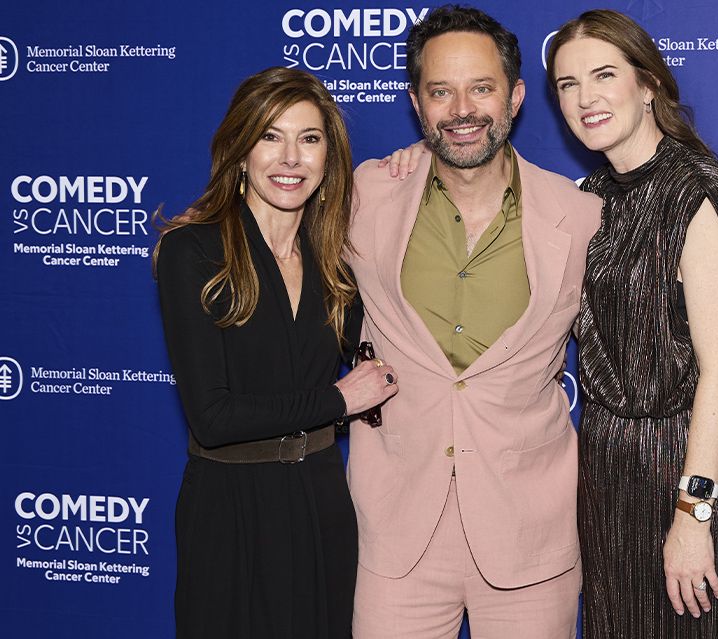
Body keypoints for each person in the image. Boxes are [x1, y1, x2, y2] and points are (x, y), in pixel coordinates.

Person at [347, 6, 601, 638]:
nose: (462, 110)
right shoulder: (366, 195)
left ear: (515, 97)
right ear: (416, 103)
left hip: (529, 535)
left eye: (481, 88)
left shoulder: (580, 216)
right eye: (441, 91)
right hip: (397, 533)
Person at [154, 67, 398, 639]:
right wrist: (337, 400)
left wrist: (415, 164)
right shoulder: (193, 251)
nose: (291, 158)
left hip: (320, 499)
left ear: (328, 158)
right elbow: (213, 418)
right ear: (241, 150)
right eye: (271, 136)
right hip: (230, 507)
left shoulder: (335, 262)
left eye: (309, 139)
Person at [546, 9, 718, 638]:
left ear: (648, 84)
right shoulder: (592, 197)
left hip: (686, 471)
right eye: (568, 84)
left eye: (604, 75)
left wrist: (694, 516)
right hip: (608, 472)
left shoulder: (698, 192)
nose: (585, 98)